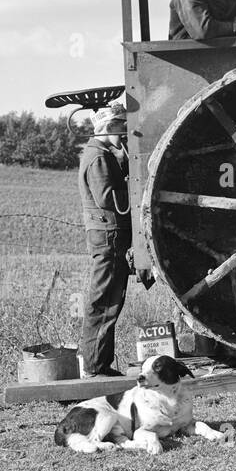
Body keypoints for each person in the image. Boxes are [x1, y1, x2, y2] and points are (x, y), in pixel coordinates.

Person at [77, 103, 137, 377]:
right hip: (108, 234)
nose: (124, 133)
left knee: (108, 298)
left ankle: (98, 364)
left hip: (107, 233)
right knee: (105, 300)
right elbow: (108, 199)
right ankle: (94, 367)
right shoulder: (99, 157)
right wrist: (138, 192)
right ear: (108, 127)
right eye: (121, 126)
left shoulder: (98, 152)